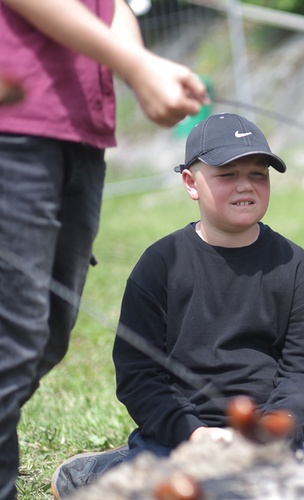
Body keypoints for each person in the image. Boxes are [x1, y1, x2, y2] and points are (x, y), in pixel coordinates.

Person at [51, 113, 304, 498]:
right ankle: (105, 471)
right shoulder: (160, 265)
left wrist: (272, 429)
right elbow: (138, 375)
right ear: (190, 182)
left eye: (258, 174)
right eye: (227, 174)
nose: (245, 185)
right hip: (180, 436)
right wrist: (192, 433)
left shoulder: (295, 266)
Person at [0, 0, 207, 498]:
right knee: (11, 341)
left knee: (44, 337)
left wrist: (139, 66)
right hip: (13, 125)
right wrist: (134, 64)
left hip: (80, 133)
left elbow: (109, 4)